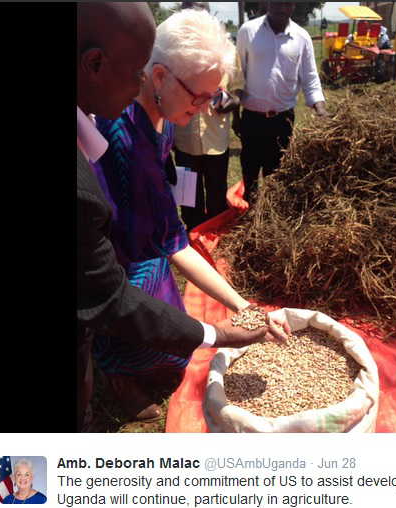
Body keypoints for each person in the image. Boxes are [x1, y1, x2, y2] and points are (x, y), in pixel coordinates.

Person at [77, 3, 288, 430]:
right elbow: (168, 241)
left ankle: (144, 358)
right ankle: (119, 375)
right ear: (159, 77)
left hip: (149, 243)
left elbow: (167, 228)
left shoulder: (168, 119)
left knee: (161, 314)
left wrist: (242, 306)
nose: (209, 107)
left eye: (214, 96)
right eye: (200, 97)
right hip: (118, 255)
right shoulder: (120, 136)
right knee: (129, 316)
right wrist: (240, 310)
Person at [233, 1, 329, 203]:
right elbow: (237, 74)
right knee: (249, 173)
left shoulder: (301, 37)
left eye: (285, 3)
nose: (280, 6)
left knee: (276, 176)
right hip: (252, 119)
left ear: (292, 6)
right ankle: (249, 218)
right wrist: (235, 114)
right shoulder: (248, 31)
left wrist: (321, 110)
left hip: (282, 121)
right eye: (275, 1)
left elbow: (310, 78)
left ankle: (270, 223)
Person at [173, 4, 242, 231]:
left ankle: (213, 236)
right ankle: (192, 236)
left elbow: (238, 90)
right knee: (188, 197)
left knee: (216, 194)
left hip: (216, 139)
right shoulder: (171, 53)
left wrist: (232, 102)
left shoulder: (228, 51)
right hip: (184, 139)